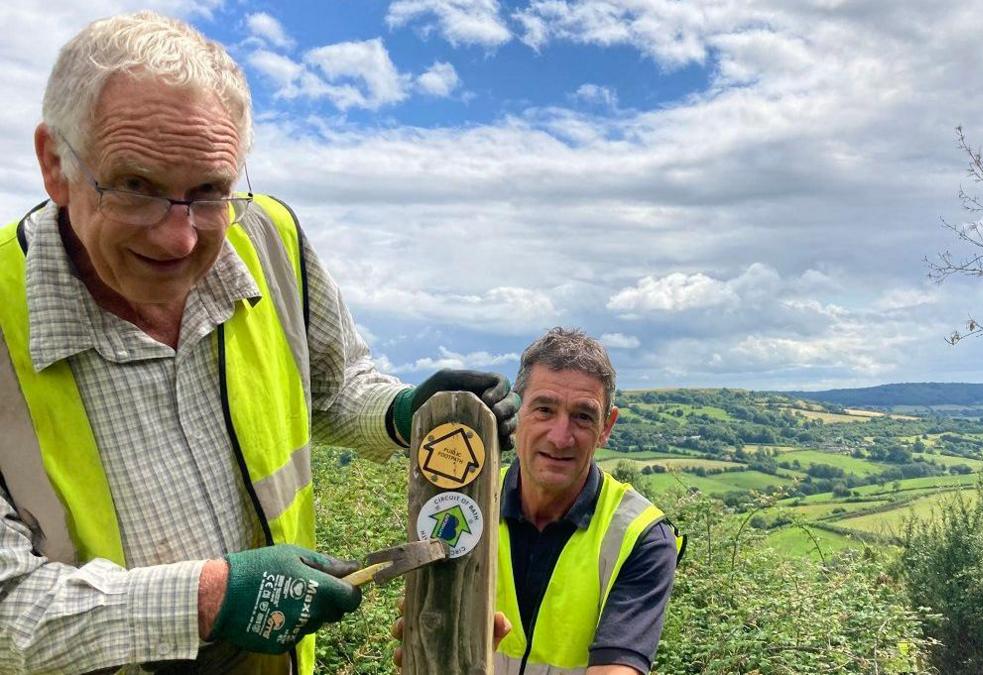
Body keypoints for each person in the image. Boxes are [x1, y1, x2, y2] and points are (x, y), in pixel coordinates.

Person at [0, 12, 517, 675]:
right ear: (54, 164)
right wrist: (209, 599)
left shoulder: (269, 239)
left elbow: (334, 384)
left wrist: (399, 412)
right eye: (135, 187)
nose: (178, 238)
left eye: (210, 191)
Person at [394, 327, 682, 675]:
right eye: (544, 409)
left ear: (606, 427)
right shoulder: (461, 504)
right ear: (515, 414)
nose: (561, 438)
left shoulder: (640, 535)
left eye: (583, 416)